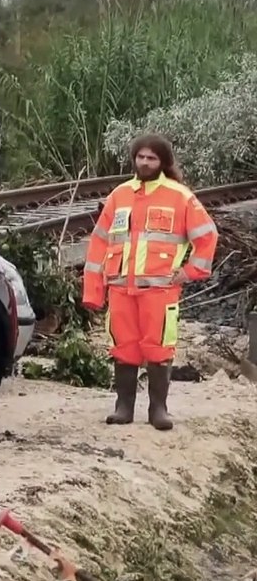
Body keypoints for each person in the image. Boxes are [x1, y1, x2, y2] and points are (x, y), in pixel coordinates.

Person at [82, 134, 217, 431]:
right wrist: (94, 291)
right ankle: (124, 407)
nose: (144, 162)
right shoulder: (119, 195)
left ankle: (158, 409)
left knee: (159, 348)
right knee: (123, 347)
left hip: (160, 291)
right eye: (140, 157)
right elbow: (98, 243)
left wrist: (189, 271)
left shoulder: (180, 196)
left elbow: (207, 236)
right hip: (121, 289)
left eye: (151, 158)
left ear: (163, 162)